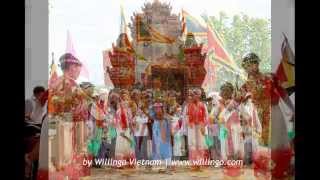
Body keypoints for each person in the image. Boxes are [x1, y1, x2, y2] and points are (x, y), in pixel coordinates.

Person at [237, 53, 295, 179]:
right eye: (246, 66)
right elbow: (236, 101)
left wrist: (292, 109)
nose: (249, 68)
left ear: (257, 63)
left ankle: (280, 172)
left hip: (274, 113)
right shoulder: (246, 85)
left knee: (277, 142)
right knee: (262, 144)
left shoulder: (270, 77)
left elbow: (283, 94)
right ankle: (266, 173)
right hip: (258, 117)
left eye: (252, 63)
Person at [38, 53, 91, 179]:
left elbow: (42, 102)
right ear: (72, 67)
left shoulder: (54, 82)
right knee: (65, 166)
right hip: (64, 127)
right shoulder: (73, 86)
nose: (79, 71)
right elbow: (81, 113)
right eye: (78, 68)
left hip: (49, 124)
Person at [183, 88, 209, 171]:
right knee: (192, 144)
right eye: (195, 95)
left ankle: (200, 163)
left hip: (200, 126)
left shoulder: (203, 105)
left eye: (198, 95)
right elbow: (185, 117)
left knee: (200, 144)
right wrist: (188, 123)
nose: (197, 97)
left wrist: (204, 126)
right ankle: (193, 164)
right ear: (193, 95)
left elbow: (206, 116)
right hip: (192, 126)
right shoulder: (188, 105)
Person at [114, 89, 135, 168]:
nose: (125, 102)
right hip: (120, 129)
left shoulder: (129, 110)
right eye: (123, 97)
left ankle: (130, 162)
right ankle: (120, 163)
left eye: (126, 97)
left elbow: (130, 119)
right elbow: (116, 120)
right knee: (120, 144)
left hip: (127, 129)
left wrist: (131, 126)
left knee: (128, 144)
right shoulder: (118, 110)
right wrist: (119, 127)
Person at [152, 101, 173, 173]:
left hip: (164, 137)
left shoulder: (166, 116)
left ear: (162, 108)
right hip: (156, 137)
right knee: (158, 150)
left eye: (158, 108)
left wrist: (168, 136)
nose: (157, 110)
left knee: (165, 150)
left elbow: (168, 127)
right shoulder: (154, 117)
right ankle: (160, 167)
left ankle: (167, 167)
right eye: (155, 108)